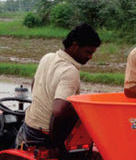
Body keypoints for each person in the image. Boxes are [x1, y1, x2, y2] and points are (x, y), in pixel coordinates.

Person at [16, 23, 101, 152]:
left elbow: (34, 85)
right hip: (44, 136)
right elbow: (59, 110)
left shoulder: (47, 58)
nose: (90, 57)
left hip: (28, 127)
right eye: (88, 52)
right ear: (74, 46)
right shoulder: (70, 71)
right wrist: (83, 111)